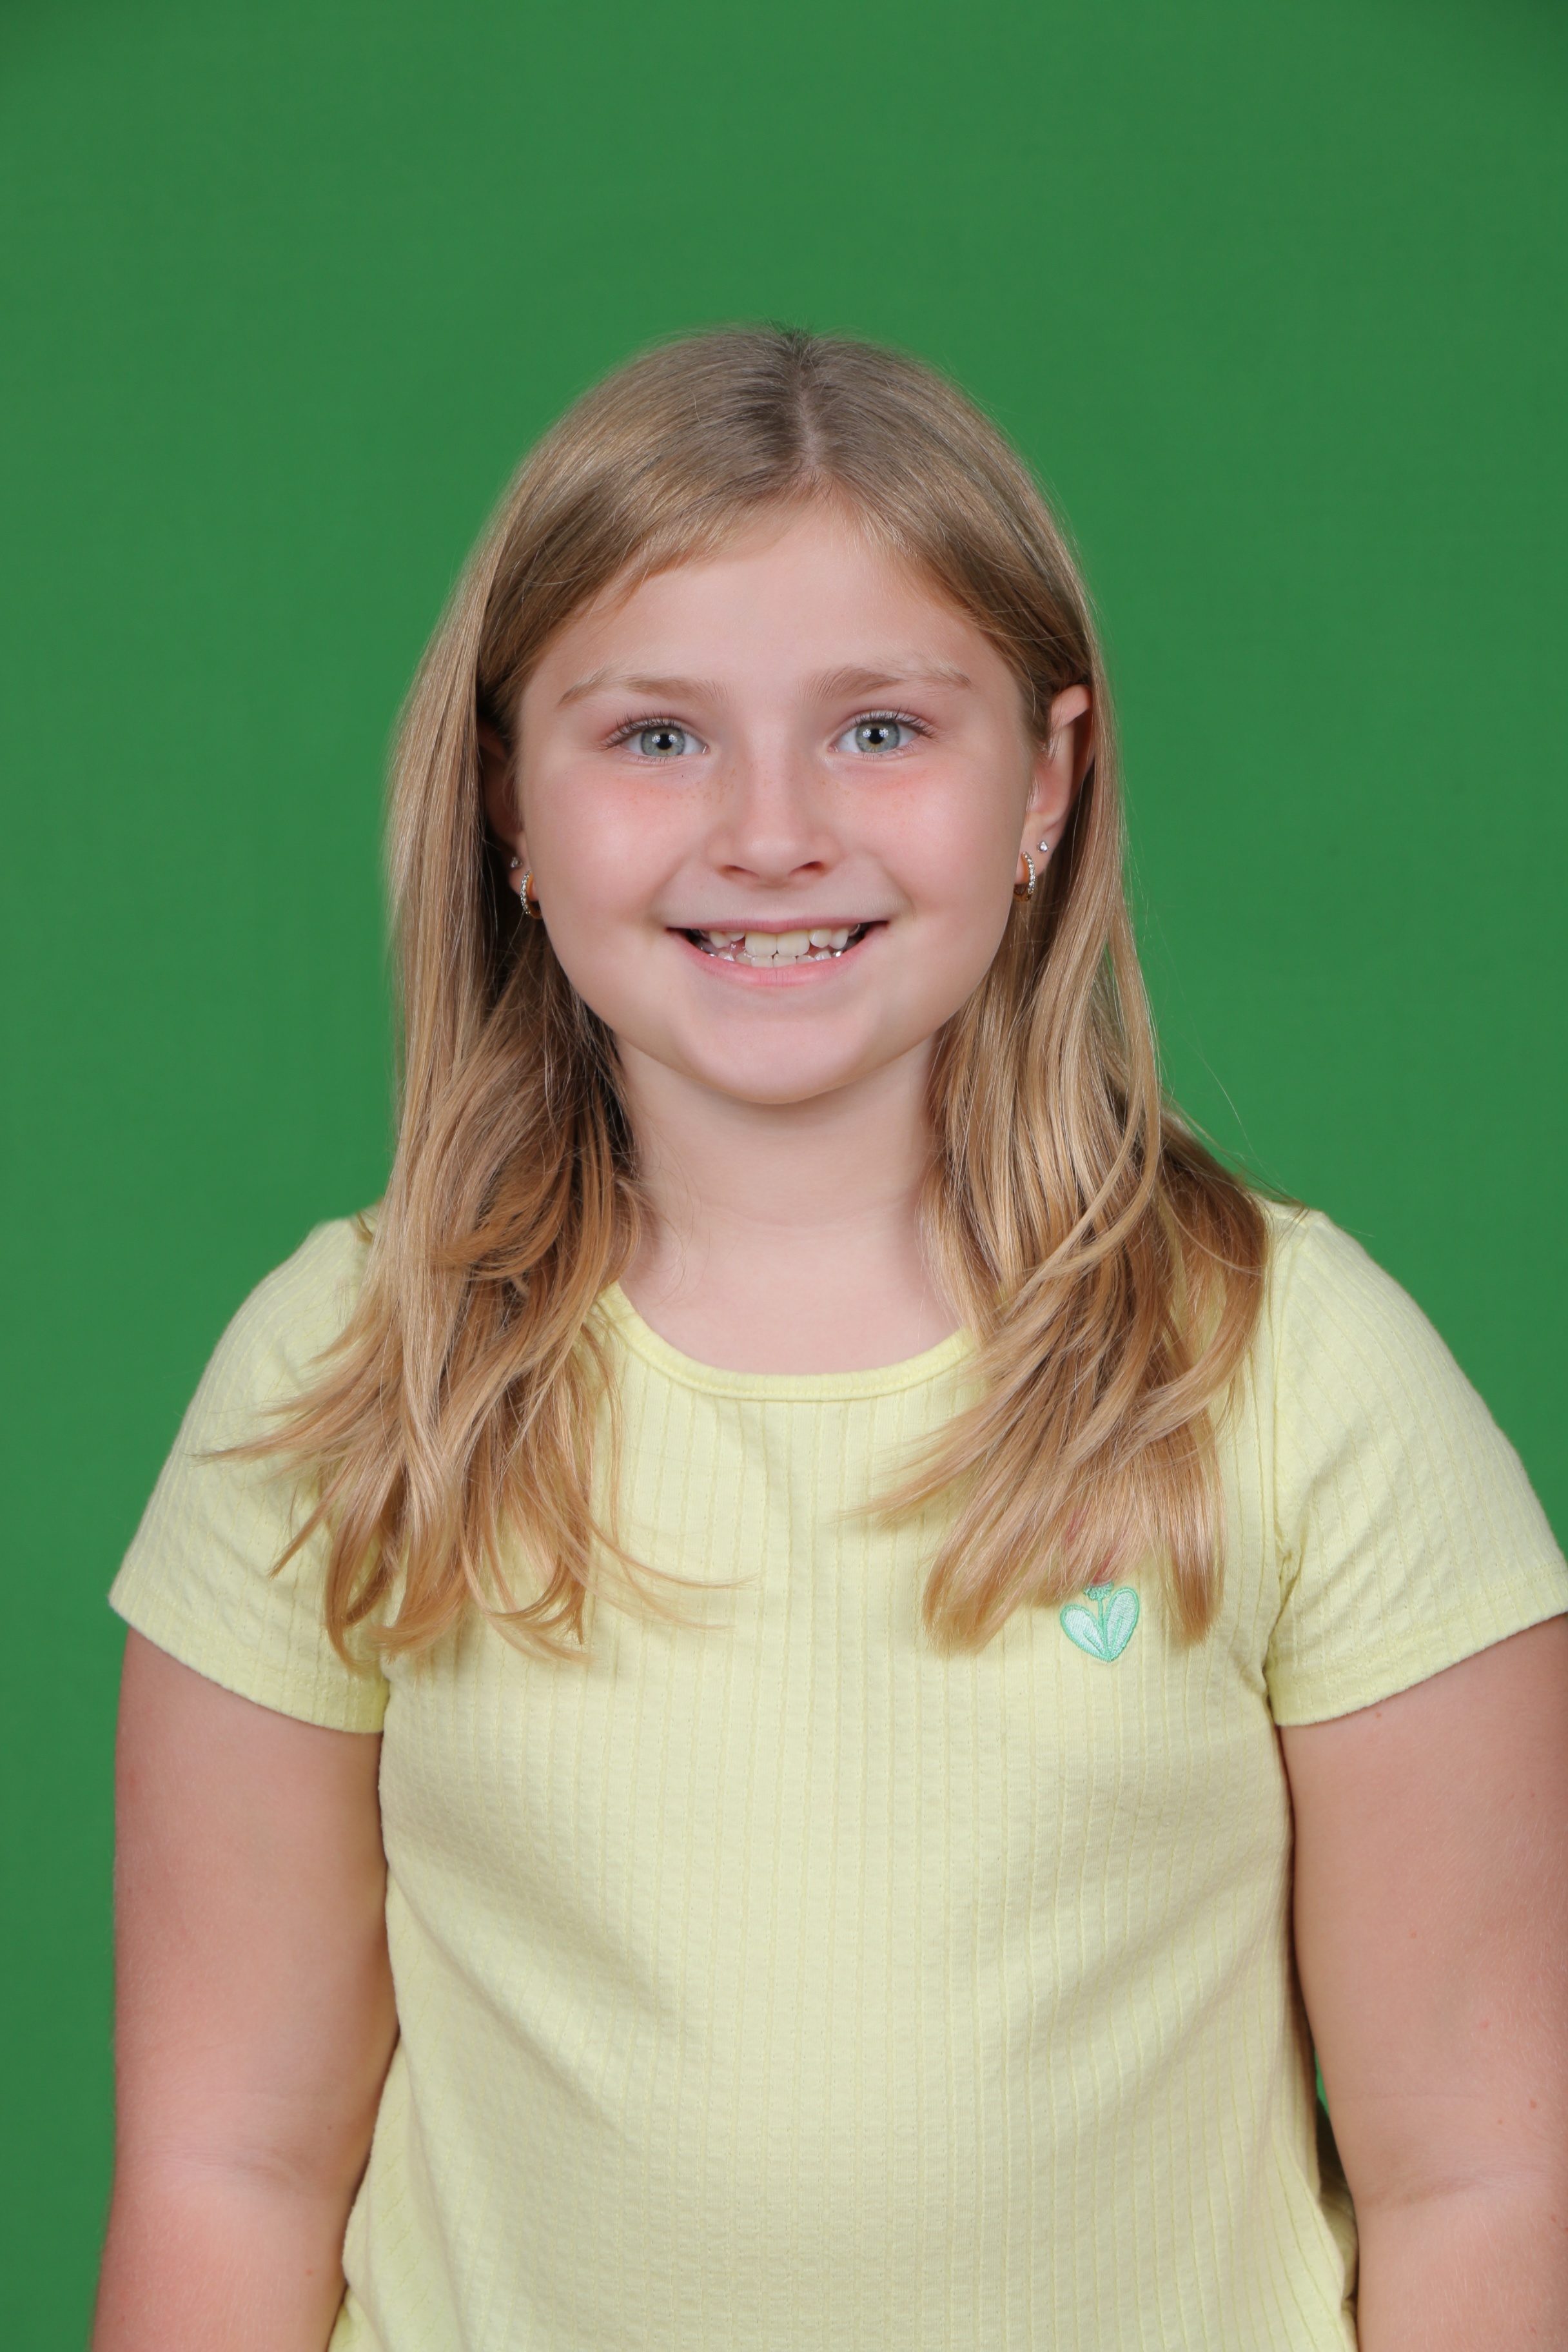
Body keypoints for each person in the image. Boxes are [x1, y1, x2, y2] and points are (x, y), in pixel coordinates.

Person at [93, 328, 1568, 2352]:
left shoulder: (1293, 1371)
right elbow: (228, 2166)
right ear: (509, 800)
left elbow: (1481, 2175)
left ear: (1046, 781)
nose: (772, 831)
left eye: (880, 729)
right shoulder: (347, 1374)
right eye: (655, 736)